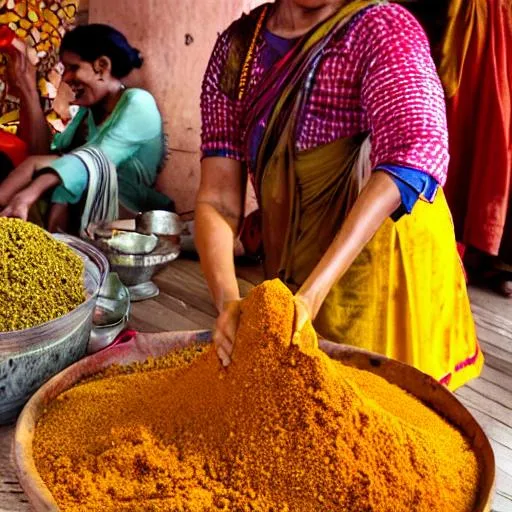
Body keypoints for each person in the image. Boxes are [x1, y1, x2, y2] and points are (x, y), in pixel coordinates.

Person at [195, 0, 484, 391]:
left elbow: (415, 152)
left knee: (383, 404)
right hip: (294, 256)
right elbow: (218, 200)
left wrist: (312, 295)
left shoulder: (383, 28)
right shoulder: (238, 51)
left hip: (378, 261)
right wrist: (229, 302)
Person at [0, 24, 173, 233]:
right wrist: (27, 89)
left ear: (102, 66)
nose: (65, 78)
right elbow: (47, 158)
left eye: (73, 68)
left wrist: (26, 196)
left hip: (126, 217)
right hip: (81, 210)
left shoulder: (138, 103)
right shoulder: (87, 112)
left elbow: (91, 160)